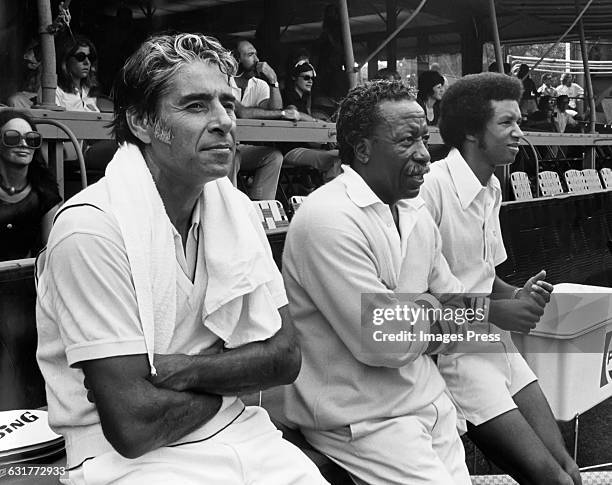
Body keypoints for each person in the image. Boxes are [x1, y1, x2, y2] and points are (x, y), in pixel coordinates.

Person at [35, 32, 328, 485]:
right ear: (141, 122)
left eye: (227, 104)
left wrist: (179, 370)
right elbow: (133, 426)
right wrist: (233, 385)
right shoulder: (91, 229)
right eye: (195, 106)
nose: (224, 121)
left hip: (247, 434)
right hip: (130, 462)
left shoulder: (235, 213)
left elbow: (285, 359)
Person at [281, 80, 490, 484]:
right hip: (366, 422)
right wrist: (429, 307)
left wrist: (416, 314)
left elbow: (464, 312)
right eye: (407, 140)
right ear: (362, 149)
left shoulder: (414, 211)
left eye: (424, 139)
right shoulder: (329, 219)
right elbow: (385, 340)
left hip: (427, 404)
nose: (425, 155)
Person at [420, 72, 581, 485]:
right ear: (474, 133)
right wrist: (502, 312)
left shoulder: (491, 186)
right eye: (507, 123)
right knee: (553, 480)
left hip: (494, 341)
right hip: (457, 355)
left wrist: (518, 295)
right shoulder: (431, 189)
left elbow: (485, 278)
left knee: (568, 471)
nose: (519, 133)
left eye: (518, 122)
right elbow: (411, 304)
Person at [229, 39, 293, 200]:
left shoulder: (260, 85)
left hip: (241, 147)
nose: (258, 60)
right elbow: (243, 113)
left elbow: (275, 110)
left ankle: (260, 207)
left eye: (256, 54)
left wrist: (274, 81)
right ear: (236, 59)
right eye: (250, 55)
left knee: (274, 156)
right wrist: (283, 114)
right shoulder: (223, 81)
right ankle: (231, 207)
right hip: (222, 147)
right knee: (233, 155)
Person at [0, 110, 61, 260]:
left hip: (28, 278)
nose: (23, 144)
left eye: (31, 139)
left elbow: (51, 251)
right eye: (12, 137)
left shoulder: (45, 193)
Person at [281, 60, 341, 184]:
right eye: (306, 77)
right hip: (291, 150)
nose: (310, 81)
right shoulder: (288, 95)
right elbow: (295, 114)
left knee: (341, 155)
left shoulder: (304, 98)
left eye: (312, 78)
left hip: (305, 148)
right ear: (294, 78)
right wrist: (318, 122)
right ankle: (329, 192)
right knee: (337, 157)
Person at [55, 35, 100, 112]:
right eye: (80, 57)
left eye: (90, 57)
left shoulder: (89, 91)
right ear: (66, 59)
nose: (87, 62)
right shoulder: (55, 91)